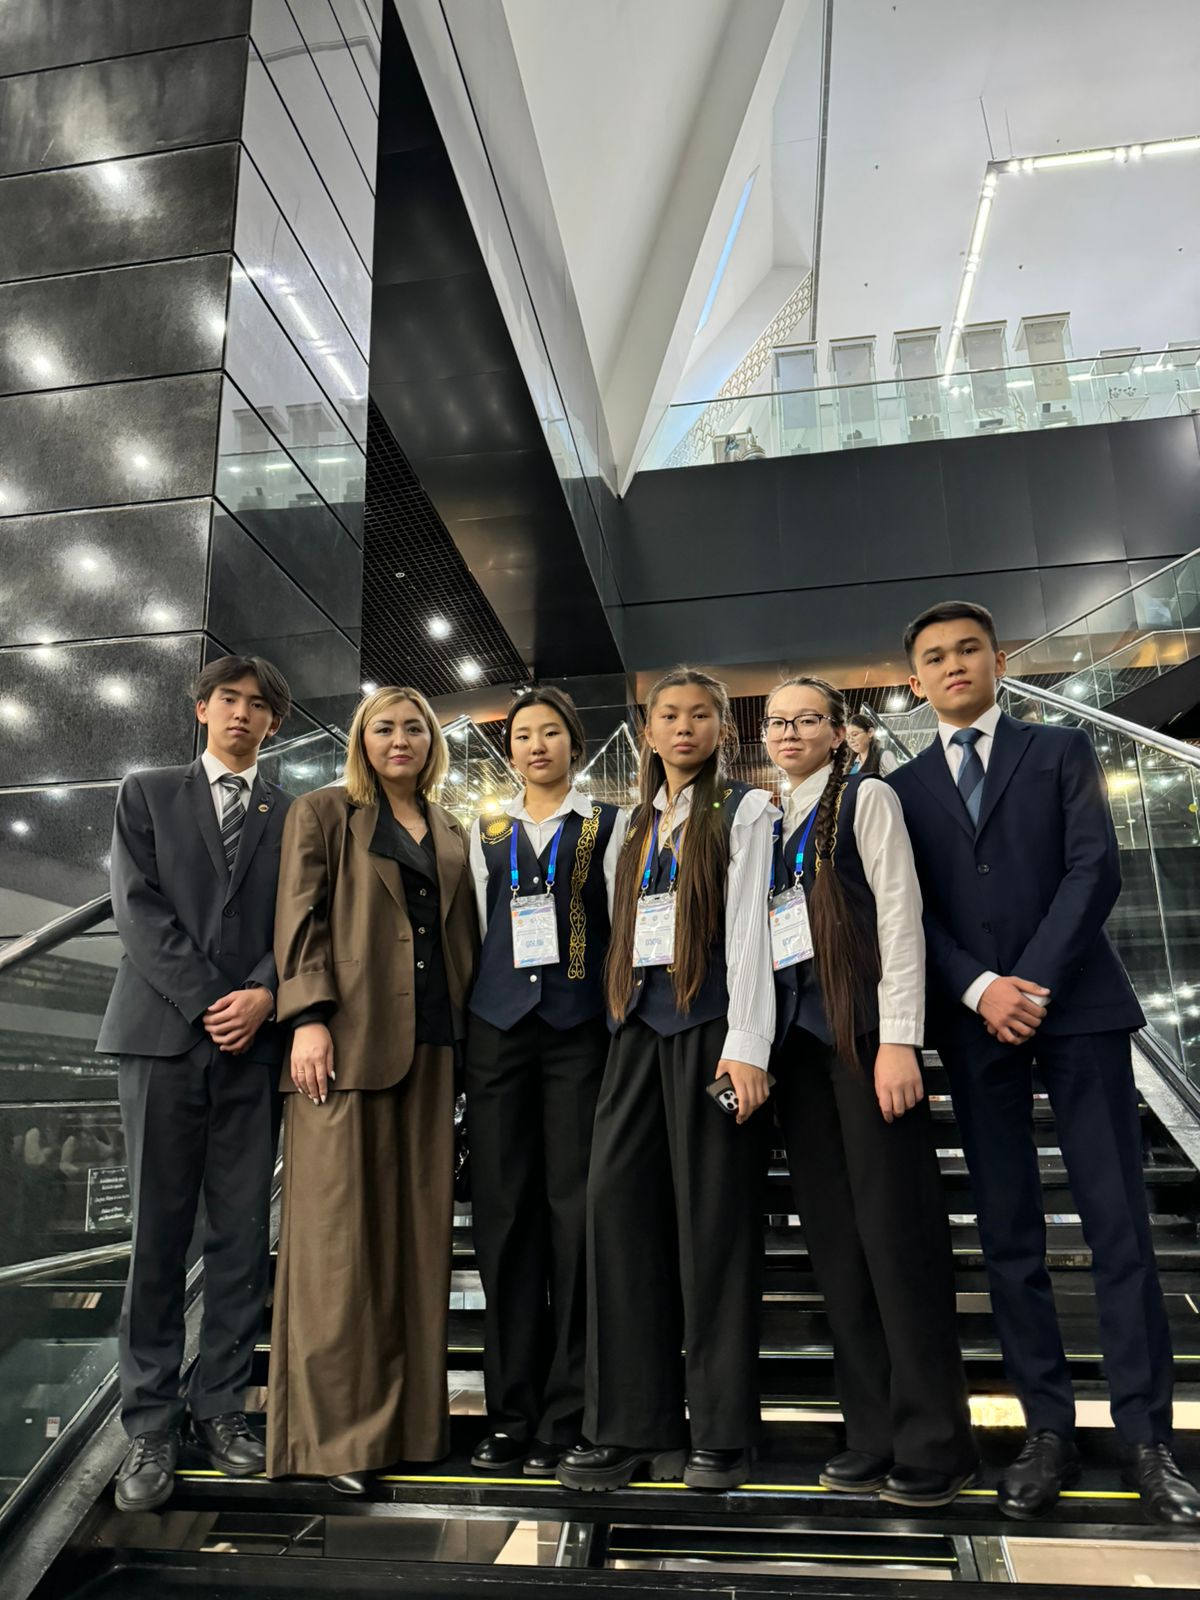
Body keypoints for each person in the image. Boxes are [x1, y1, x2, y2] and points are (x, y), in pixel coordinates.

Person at [890, 600, 1200, 1527]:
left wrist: (1029, 981)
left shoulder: (1062, 749)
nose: (953, 665)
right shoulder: (901, 787)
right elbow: (909, 912)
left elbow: (1094, 870)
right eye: (935, 656)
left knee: (1119, 1228)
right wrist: (981, 988)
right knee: (1010, 1236)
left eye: (968, 650)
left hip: (1080, 1011)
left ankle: (1148, 1438)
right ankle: (1047, 1432)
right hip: (975, 1023)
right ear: (916, 679)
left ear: (996, 660)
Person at [557, 668, 777, 1494]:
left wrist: (749, 1042)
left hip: (712, 1032)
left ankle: (720, 1431)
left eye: (700, 715)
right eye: (668, 715)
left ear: (723, 728)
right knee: (616, 1216)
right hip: (637, 1033)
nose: (683, 727)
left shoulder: (745, 810)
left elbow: (751, 929)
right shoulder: (632, 825)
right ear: (646, 730)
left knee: (713, 1229)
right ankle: (628, 1424)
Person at [763, 677, 976, 1508]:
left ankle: (936, 1442)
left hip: (862, 1042)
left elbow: (899, 917)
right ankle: (872, 1432)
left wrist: (899, 1038)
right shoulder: (769, 820)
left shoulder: (868, 799)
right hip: (798, 1053)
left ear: (836, 729)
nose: (790, 733)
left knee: (897, 1239)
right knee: (838, 1248)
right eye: (777, 722)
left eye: (807, 720)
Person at [267, 685, 477, 1495]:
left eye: (414, 728)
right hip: (344, 1047)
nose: (400, 739)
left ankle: (414, 1429)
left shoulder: (451, 829)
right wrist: (308, 1018)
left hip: (433, 1051)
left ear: (431, 742)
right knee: (339, 1248)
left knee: (418, 1246)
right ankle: (336, 1440)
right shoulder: (324, 812)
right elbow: (300, 918)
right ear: (362, 739)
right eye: (384, 727)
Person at [98, 655, 293, 1513]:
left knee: (243, 1236)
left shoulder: (295, 812)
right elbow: (137, 908)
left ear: (275, 724)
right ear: (202, 708)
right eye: (229, 700)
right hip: (161, 1038)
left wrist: (266, 995)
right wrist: (217, 1000)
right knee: (158, 1236)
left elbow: (305, 920)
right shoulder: (146, 793)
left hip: (255, 1045)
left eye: (259, 706)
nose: (242, 714)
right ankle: (149, 1423)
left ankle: (221, 1407)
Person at [466, 687, 627, 1477]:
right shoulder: (484, 832)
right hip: (497, 1037)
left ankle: (569, 1413)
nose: (536, 746)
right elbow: (474, 929)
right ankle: (510, 1415)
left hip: (577, 1036)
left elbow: (622, 928)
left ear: (575, 744)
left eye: (551, 733)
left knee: (575, 1221)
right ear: (510, 753)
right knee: (504, 1223)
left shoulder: (610, 825)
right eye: (523, 735)